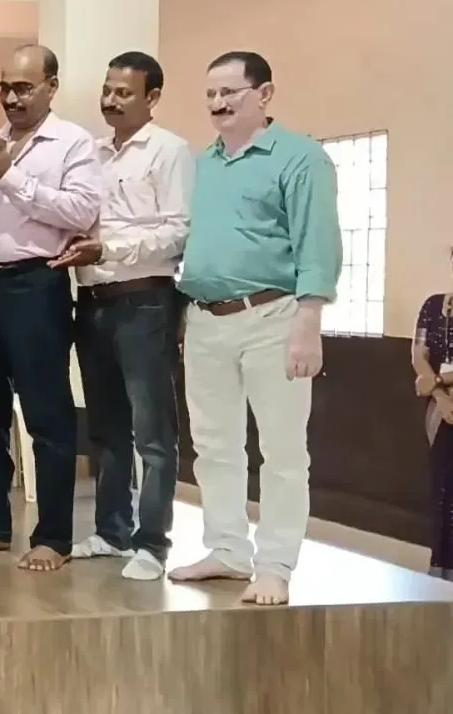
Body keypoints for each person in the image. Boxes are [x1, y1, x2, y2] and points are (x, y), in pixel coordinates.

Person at [171, 51, 340, 606]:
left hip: (274, 315)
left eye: (230, 92)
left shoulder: (300, 157)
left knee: (282, 449)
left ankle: (275, 565)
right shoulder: (204, 164)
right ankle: (227, 549)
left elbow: (318, 243)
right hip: (204, 317)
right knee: (213, 444)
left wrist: (309, 320)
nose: (218, 103)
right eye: (210, 94)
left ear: (264, 94)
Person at [0, 44, 102, 573]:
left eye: (23, 88)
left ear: (51, 87)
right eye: (5, 88)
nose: (12, 98)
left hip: (36, 286)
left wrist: (8, 175)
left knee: (46, 414)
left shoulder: (73, 142)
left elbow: (81, 211)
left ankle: (54, 537)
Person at [49, 51, 191, 581]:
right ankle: (112, 531)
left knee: (152, 432)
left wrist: (108, 249)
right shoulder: (92, 151)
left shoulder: (170, 150)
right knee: (107, 426)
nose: (110, 100)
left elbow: (178, 231)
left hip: (145, 300)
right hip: (93, 301)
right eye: (107, 90)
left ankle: (152, 544)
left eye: (123, 93)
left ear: (152, 98)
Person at [412, 269, 453, 580]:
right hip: (442, 410)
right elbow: (419, 356)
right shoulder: (434, 305)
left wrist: (436, 381)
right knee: (442, 489)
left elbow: (429, 378)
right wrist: (441, 396)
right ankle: (441, 571)